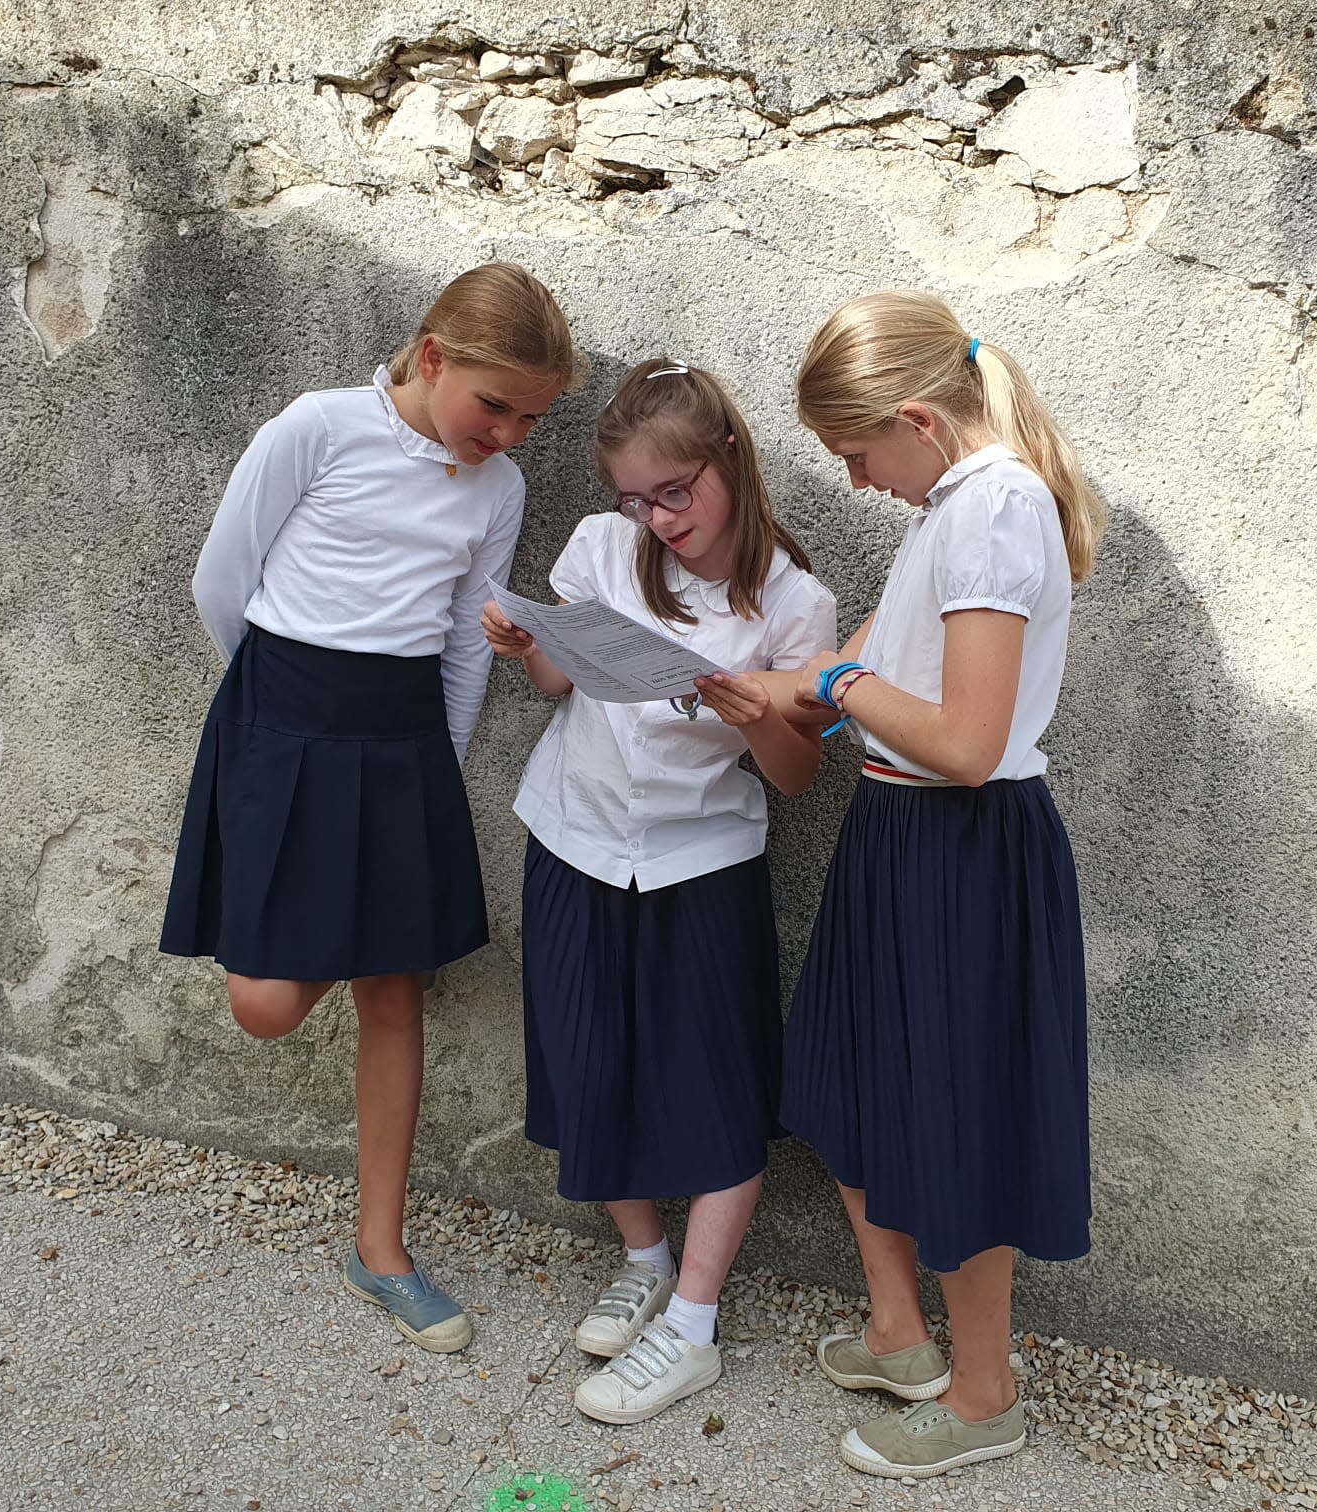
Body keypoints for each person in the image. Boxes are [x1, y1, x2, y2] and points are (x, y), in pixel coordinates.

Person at [160, 262, 578, 1354]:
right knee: (265, 1001)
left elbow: (464, 636)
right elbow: (222, 579)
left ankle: (381, 1248)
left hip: (405, 738)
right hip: (284, 720)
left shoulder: (498, 489)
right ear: (433, 357)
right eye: (496, 405)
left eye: (531, 420)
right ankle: (375, 1231)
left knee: (395, 990)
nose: (509, 435)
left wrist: (435, 763)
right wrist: (273, 718)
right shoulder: (319, 427)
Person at [777, 290, 1105, 1477]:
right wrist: (795, 688)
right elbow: (873, 670)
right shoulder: (951, 507)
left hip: (964, 845)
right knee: (852, 1080)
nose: (855, 480)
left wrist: (838, 684)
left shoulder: (996, 508)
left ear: (918, 419)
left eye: (856, 454)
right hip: (898, 830)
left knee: (955, 1118)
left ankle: (983, 1397)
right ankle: (898, 1335)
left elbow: (967, 743)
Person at [482, 359, 837, 1424]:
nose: (658, 520)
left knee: (718, 1084)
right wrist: (528, 642)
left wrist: (756, 718)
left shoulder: (794, 601)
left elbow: (797, 776)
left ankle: (692, 1324)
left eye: (675, 493)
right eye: (637, 499)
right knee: (583, 1058)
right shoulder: (604, 547)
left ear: (729, 457)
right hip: (576, 836)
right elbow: (557, 682)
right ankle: (643, 1257)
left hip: (700, 864)